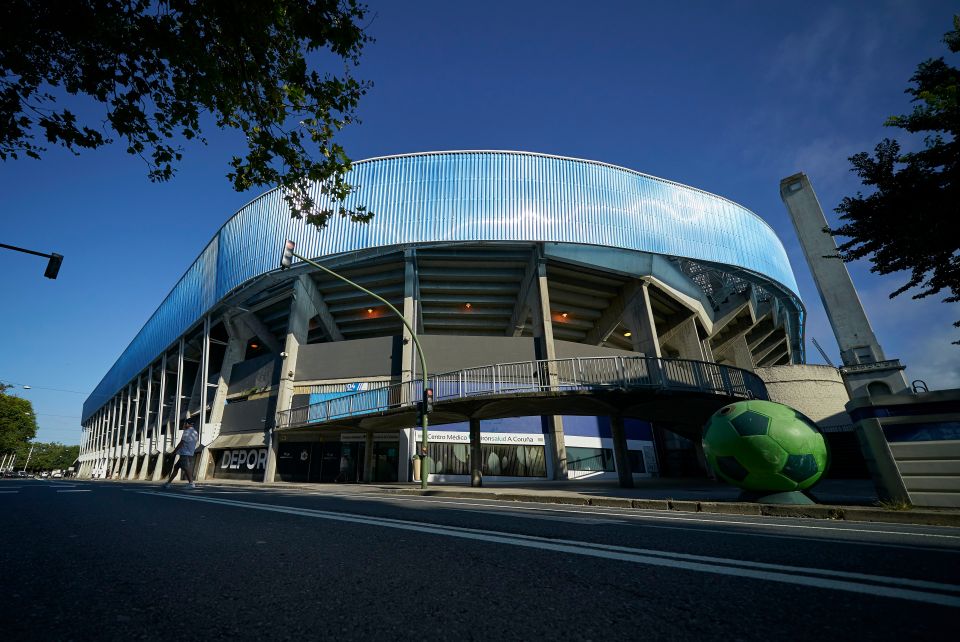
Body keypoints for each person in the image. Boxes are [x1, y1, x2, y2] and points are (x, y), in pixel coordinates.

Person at [163, 418, 200, 489]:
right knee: (176, 467)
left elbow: (181, 443)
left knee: (186, 468)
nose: (184, 425)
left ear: (187, 424)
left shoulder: (187, 432)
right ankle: (168, 483)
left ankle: (191, 483)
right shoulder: (195, 432)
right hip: (190, 452)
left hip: (185, 453)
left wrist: (174, 452)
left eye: (185, 423)